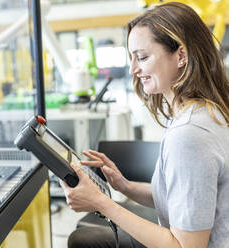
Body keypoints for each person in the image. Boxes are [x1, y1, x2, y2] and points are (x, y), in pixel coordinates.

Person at [60, 2, 229, 248]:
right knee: (85, 239)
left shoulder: (190, 135)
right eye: (131, 58)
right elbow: (188, 201)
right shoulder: (206, 110)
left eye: (142, 57)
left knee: (84, 242)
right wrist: (125, 186)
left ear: (181, 55)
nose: (132, 69)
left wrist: (101, 202)